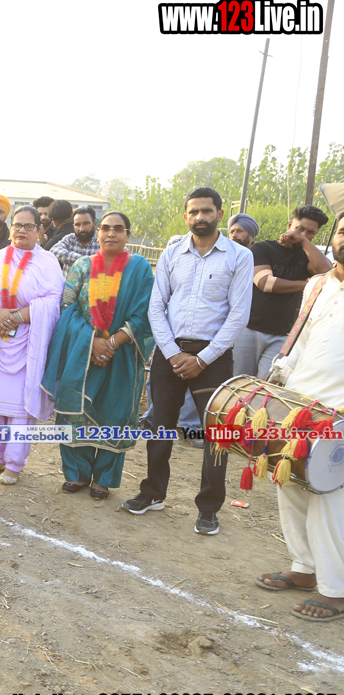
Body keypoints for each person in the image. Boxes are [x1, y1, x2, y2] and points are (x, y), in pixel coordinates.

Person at [125, 187, 254, 536]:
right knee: (160, 426)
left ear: (219, 214)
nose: (200, 217)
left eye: (207, 211)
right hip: (170, 353)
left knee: (216, 434)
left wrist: (203, 358)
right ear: (186, 216)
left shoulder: (239, 256)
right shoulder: (172, 253)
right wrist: (172, 353)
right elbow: (156, 307)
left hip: (213, 357)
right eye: (194, 211)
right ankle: (153, 493)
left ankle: (209, 508)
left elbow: (238, 315)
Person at [256, 220, 344, 622]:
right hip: (299, 403)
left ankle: (336, 589)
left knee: (330, 499)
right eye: (342, 231)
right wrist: (279, 377)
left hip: (338, 413)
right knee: (290, 484)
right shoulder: (317, 285)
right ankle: (304, 568)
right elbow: (301, 339)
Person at [42, 211, 155, 500]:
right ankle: (76, 473)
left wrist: (112, 343)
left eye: (118, 229)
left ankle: (104, 478)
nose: (111, 233)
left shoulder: (140, 268)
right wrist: (92, 342)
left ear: (127, 235)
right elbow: (67, 309)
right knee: (75, 411)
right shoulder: (83, 265)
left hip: (122, 354)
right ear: (98, 232)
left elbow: (144, 312)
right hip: (81, 353)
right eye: (105, 228)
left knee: (114, 412)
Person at [0, 205, 64, 485]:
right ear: (10, 228)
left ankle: (14, 464)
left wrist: (14, 317)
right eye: (17, 225)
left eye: (29, 226)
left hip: (28, 341)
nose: (22, 230)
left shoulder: (48, 262)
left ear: (40, 230)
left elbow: (53, 301)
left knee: (19, 407)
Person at [235, 207, 332, 380]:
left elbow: (327, 274)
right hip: (248, 329)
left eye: (310, 233)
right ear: (289, 225)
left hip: (282, 334)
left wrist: (304, 242)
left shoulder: (307, 255)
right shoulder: (262, 248)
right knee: (238, 382)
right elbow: (265, 283)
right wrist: (309, 284)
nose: (303, 234)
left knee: (268, 385)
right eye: (299, 229)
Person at [50, 206, 99, 275]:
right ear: (74, 226)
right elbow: (54, 251)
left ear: (95, 224)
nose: (81, 229)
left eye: (86, 224)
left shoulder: (101, 241)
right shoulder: (70, 238)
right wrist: (83, 259)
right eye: (77, 225)